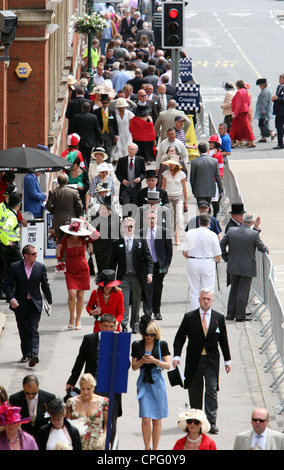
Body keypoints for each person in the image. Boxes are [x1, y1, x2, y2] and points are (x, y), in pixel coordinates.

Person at [173, 288, 231, 434]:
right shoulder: (190, 317)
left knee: (211, 390)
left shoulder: (218, 317)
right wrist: (177, 356)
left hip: (211, 361)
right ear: (199, 300)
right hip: (195, 360)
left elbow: (223, 340)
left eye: (208, 299)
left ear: (212, 301)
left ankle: (211, 422)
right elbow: (180, 337)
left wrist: (227, 360)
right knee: (195, 391)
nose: (206, 301)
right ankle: (197, 420)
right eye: (203, 298)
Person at [65, 314, 121, 447]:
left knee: (109, 421)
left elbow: (126, 365)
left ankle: (108, 447)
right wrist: (71, 381)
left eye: (111, 327)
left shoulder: (119, 340)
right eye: (105, 326)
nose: (108, 329)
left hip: (111, 385)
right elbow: (80, 360)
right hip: (92, 385)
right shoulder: (90, 339)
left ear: (115, 326)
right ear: (100, 326)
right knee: (91, 419)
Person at [5, 244, 52, 367]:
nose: (36, 255)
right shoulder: (15, 267)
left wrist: (49, 301)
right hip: (19, 304)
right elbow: (7, 285)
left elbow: (45, 285)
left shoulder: (40, 267)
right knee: (23, 330)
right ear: (26, 256)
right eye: (33, 254)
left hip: (35, 303)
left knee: (33, 330)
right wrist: (11, 299)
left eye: (36, 253)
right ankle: (26, 353)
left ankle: (33, 355)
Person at [220, 212, 269, 322]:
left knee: (234, 290)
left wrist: (226, 257)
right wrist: (267, 249)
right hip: (246, 267)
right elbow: (262, 247)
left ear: (242, 220)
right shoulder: (253, 234)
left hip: (233, 266)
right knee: (243, 292)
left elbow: (221, 245)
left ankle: (230, 314)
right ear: (252, 222)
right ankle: (240, 315)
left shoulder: (231, 231)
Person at [131, 319, 170, 450]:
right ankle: (147, 447)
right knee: (145, 418)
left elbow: (168, 365)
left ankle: (155, 449)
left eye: (152, 334)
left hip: (157, 381)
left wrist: (155, 361)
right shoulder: (137, 345)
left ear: (156, 334)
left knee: (157, 419)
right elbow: (134, 367)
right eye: (147, 334)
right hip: (143, 382)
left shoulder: (162, 344)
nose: (149, 337)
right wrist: (142, 361)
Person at [110, 217, 153, 333]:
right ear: (122, 228)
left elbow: (148, 259)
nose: (129, 229)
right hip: (123, 277)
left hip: (137, 277)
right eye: (127, 227)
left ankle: (135, 325)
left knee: (136, 302)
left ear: (134, 228)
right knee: (123, 301)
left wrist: (149, 273)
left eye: (131, 226)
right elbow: (112, 263)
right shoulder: (117, 243)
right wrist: (110, 279)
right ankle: (124, 324)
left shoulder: (141, 241)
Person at [56, 218, 100, 330]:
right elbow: (60, 257)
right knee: (72, 294)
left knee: (80, 295)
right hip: (70, 270)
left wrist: (87, 224)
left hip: (83, 269)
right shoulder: (65, 240)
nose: (74, 234)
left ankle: (78, 319)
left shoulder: (84, 238)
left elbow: (96, 235)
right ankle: (72, 317)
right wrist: (57, 251)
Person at [182, 213, 222, 311]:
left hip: (193, 261)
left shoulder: (191, 233)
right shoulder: (212, 235)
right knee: (208, 290)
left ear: (199, 222)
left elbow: (184, 252)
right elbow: (218, 255)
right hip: (207, 262)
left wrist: (191, 258)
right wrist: (215, 260)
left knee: (194, 290)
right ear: (209, 223)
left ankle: (195, 314)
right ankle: (206, 312)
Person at [140, 209, 172, 321]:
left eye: (153, 218)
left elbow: (169, 251)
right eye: (149, 218)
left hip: (159, 265)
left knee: (157, 289)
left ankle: (157, 311)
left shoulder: (164, 232)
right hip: (146, 265)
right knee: (147, 288)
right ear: (145, 220)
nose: (152, 220)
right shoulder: (141, 233)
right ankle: (147, 312)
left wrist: (166, 266)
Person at [65, 373, 108, 450]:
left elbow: (107, 423)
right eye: (83, 389)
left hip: (97, 445)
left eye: (88, 389)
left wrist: (104, 437)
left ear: (93, 387)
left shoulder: (103, 402)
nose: (85, 392)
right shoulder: (71, 402)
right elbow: (67, 425)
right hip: (77, 443)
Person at [9, 375, 56, 441]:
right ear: (23, 387)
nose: (30, 396)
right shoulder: (15, 399)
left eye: (34, 393)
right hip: (23, 437)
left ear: (38, 386)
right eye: (27, 393)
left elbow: (54, 419)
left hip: (42, 436)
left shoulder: (49, 398)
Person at [45, 172, 83, 243]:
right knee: (70, 242)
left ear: (58, 182)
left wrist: (54, 212)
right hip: (71, 221)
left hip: (58, 221)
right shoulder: (74, 192)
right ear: (67, 181)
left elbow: (48, 205)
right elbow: (80, 206)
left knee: (59, 242)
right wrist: (77, 215)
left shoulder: (53, 192)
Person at [88, 195, 120, 272]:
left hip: (110, 248)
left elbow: (119, 233)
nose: (102, 210)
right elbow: (91, 232)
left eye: (104, 208)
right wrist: (90, 245)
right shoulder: (96, 216)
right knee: (100, 271)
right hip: (99, 248)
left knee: (109, 272)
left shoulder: (115, 217)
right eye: (101, 207)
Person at [161, 154, 187, 245]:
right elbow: (163, 186)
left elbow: (184, 188)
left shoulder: (182, 174)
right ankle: (170, 234)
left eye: (173, 163)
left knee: (179, 216)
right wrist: (161, 198)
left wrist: (186, 201)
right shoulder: (165, 173)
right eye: (170, 163)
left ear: (176, 164)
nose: (171, 165)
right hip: (168, 197)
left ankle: (177, 237)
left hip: (178, 197)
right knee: (170, 217)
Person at [190, 142, 223, 207]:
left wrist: (193, 189)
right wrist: (220, 188)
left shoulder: (194, 162)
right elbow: (217, 176)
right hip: (210, 189)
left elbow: (192, 178)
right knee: (207, 206)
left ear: (199, 151)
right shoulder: (214, 161)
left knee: (201, 207)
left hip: (198, 190)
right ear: (207, 150)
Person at [72, 101, 103, 170]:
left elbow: (73, 130)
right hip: (90, 142)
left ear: (82, 108)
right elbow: (97, 130)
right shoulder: (93, 117)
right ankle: (86, 169)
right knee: (88, 157)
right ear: (89, 109)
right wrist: (101, 141)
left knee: (82, 157)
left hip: (80, 142)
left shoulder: (76, 117)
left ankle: (84, 169)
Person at [229, 79, 256, 148]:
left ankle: (232, 141)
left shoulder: (239, 92)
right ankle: (249, 140)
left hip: (240, 112)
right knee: (244, 126)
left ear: (238, 86)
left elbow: (238, 104)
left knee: (235, 127)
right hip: (245, 110)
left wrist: (235, 113)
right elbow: (248, 102)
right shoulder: (245, 91)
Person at [93, 94, 119, 162]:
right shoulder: (96, 111)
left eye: (106, 103)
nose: (105, 104)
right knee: (99, 152)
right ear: (101, 103)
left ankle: (108, 166)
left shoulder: (112, 111)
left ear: (108, 103)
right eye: (103, 103)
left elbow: (115, 123)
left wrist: (116, 134)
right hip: (100, 134)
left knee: (108, 151)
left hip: (108, 134)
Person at [112, 97, 135, 162]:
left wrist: (133, 135)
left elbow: (132, 125)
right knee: (118, 151)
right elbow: (113, 125)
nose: (122, 108)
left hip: (127, 134)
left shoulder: (129, 114)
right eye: (120, 106)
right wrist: (114, 135)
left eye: (123, 106)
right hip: (118, 134)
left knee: (127, 150)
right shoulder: (114, 113)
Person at [208, 134, 224, 219]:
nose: (210, 145)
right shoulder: (211, 152)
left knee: (214, 200)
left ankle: (215, 215)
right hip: (210, 179)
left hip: (215, 180)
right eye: (210, 143)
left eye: (212, 143)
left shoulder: (217, 154)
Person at [254, 78, 275, 143]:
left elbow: (264, 102)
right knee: (265, 124)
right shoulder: (268, 90)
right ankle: (263, 137)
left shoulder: (264, 91)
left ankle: (271, 132)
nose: (260, 86)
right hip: (267, 110)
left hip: (263, 111)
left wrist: (263, 109)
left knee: (262, 124)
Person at [271, 73, 284, 149]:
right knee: (278, 126)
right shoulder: (279, 87)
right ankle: (280, 142)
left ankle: (280, 143)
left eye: (281, 79)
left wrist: (277, 99)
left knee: (280, 126)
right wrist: (274, 99)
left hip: (282, 111)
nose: (279, 81)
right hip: (278, 110)